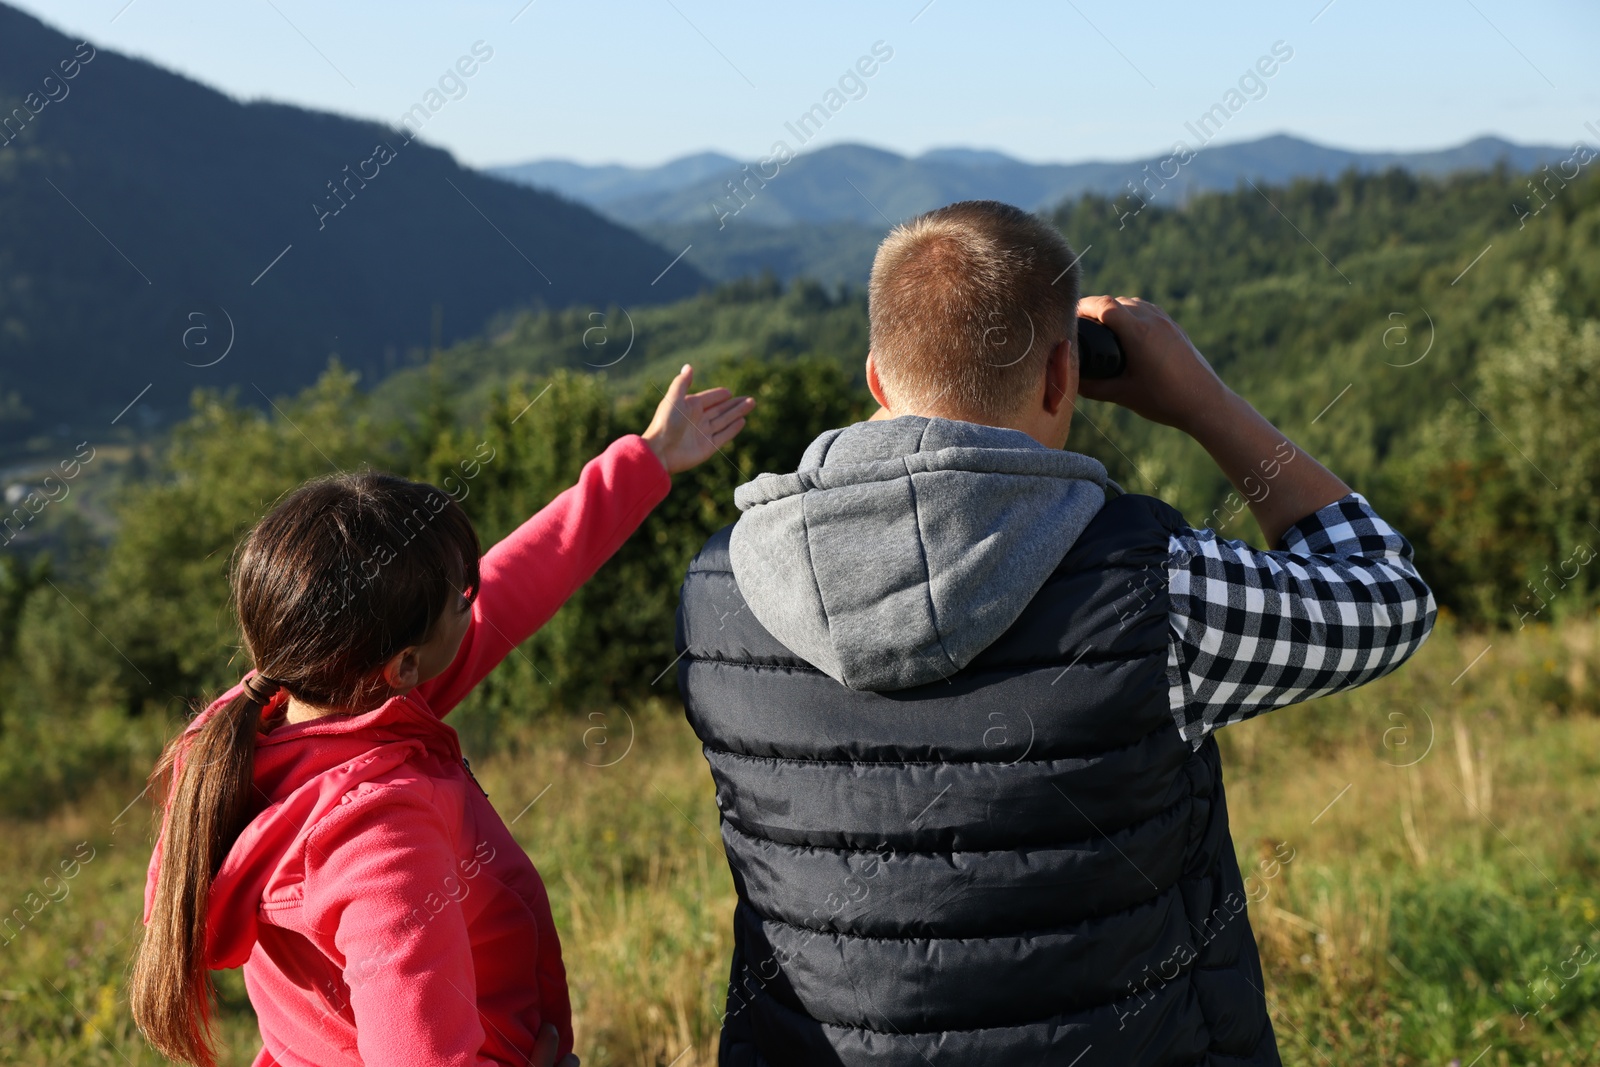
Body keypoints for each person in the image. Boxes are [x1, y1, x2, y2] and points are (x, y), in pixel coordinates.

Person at [675, 200, 1436, 1065]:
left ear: (878, 380)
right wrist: (1204, 402)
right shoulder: (1156, 588)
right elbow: (1388, 596)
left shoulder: (720, 591)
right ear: (1060, 377)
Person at [131, 366, 752, 1067]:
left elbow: (520, 582)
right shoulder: (378, 840)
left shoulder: (266, 723)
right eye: (462, 598)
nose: (476, 603)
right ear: (400, 665)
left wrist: (644, 460)